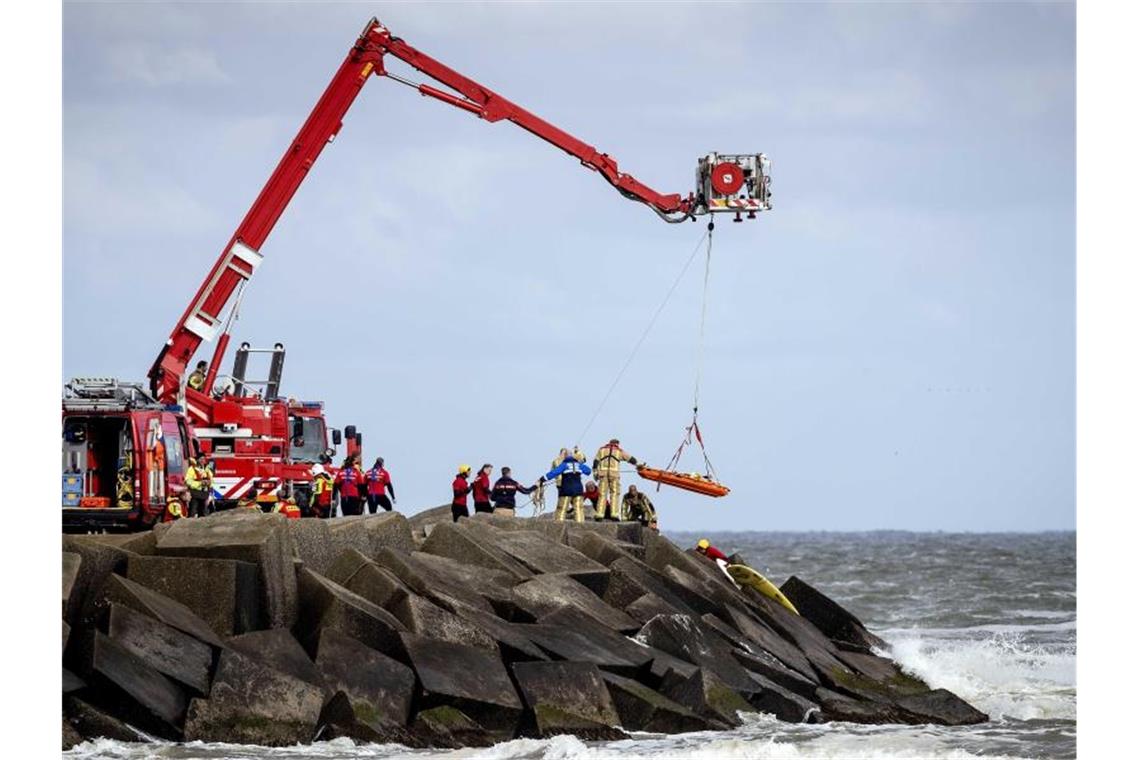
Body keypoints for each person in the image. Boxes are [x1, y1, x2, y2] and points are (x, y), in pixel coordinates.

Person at [593, 438, 639, 521]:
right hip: (614, 475)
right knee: (614, 494)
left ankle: (600, 514)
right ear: (617, 444)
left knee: (602, 494)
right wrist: (638, 464)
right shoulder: (619, 451)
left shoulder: (602, 450)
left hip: (603, 475)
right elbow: (631, 459)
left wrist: (595, 473)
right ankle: (614, 514)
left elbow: (595, 462)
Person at [539, 452, 592, 522]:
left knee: (562, 509)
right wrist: (580, 463)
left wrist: (542, 479)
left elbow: (554, 473)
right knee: (579, 509)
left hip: (566, 490)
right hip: (578, 490)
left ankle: (559, 525)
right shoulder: (579, 465)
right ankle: (580, 525)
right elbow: (588, 471)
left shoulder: (564, 465)